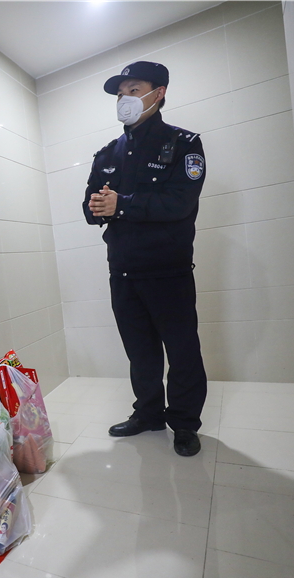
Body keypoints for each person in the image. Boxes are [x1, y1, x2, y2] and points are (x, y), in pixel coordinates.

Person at [82, 61, 208, 457]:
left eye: (134, 90)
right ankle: (149, 413)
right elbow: (89, 208)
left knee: (182, 350)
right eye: (121, 94)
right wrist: (98, 205)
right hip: (122, 270)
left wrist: (121, 204)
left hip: (167, 270)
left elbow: (179, 201)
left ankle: (184, 423)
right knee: (140, 351)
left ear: (160, 92)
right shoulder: (107, 154)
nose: (125, 99)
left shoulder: (184, 144)